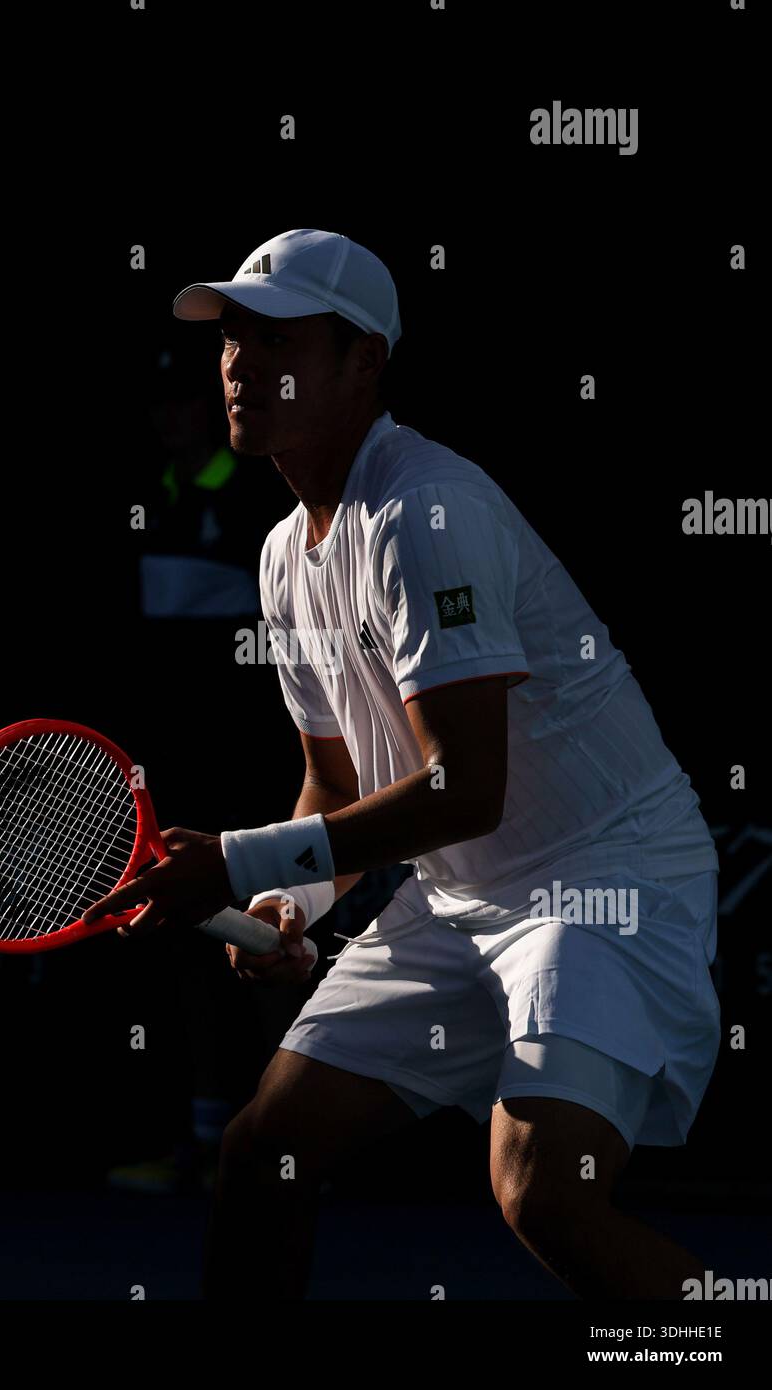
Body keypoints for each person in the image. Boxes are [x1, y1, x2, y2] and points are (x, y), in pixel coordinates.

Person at [85, 228, 721, 1301]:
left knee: (542, 1191)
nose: (239, 362)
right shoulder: (283, 555)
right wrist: (290, 901)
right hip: (456, 896)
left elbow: (468, 787)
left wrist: (236, 864)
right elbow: (332, 786)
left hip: (604, 882)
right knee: (260, 1154)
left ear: (361, 362)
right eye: (232, 337)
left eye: (277, 337)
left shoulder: (427, 511)